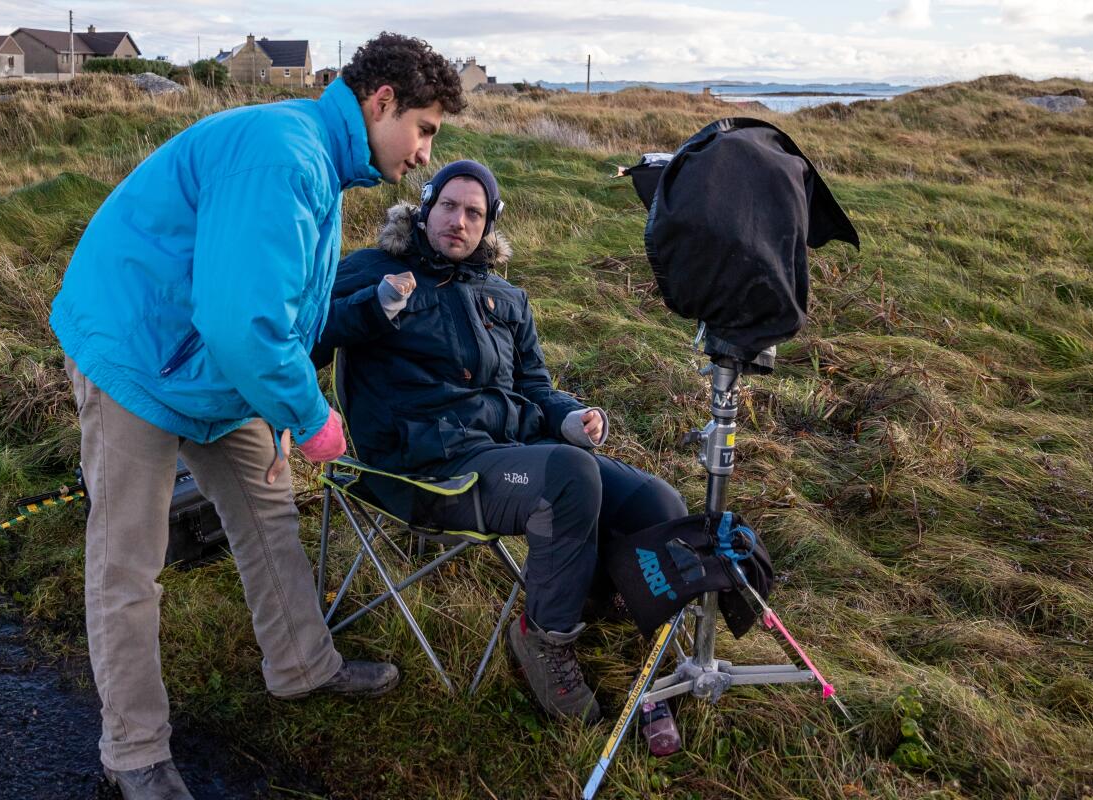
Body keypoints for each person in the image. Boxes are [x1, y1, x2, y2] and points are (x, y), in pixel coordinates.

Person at [49, 33, 465, 800]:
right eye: (426, 128)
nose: (425, 153)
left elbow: (271, 310)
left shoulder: (320, 161)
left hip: (214, 367)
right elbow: (242, 320)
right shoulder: (284, 154)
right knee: (128, 564)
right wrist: (309, 418)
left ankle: (303, 667)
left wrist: (282, 403)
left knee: (266, 514)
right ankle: (134, 752)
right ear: (381, 103)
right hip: (137, 355)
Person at [312, 161, 689, 724]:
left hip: (503, 450)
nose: (458, 222)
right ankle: (544, 641)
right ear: (424, 205)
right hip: (423, 468)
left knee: (658, 504)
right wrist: (375, 308)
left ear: (489, 225)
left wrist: (570, 417)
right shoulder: (371, 269)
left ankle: (592, 597)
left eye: (474, 213)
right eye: (448, 206)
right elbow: (307, 341)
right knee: (569, 478)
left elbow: (535, 386)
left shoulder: (505, 296)